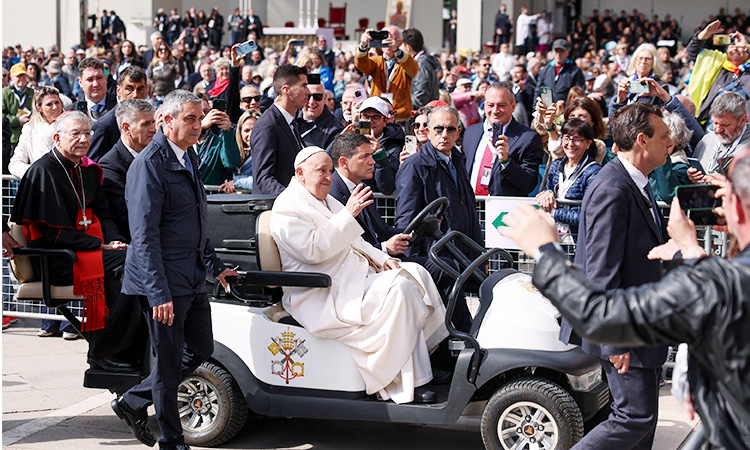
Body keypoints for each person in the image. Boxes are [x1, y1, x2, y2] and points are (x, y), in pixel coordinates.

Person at [497, 150, 750, 450]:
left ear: (735, 207)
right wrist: (693, 254)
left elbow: (598, 316)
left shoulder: (719, 284)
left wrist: (545, 251)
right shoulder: (721, 281)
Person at [270, 146, 448, 404]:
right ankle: (398, 379)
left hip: (348, 280)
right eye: (321, 171)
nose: (328, 178)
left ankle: (425, 363)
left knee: (413, 272)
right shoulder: (287, 206)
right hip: (320, 293)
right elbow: (313, 250)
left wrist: (384, 258)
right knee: (399, 289)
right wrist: (348, 213)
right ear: (300, 173)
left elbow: (356, 241)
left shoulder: (323, 199)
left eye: (330, 171)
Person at [115, 90, 237, 449]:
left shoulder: (188, 156)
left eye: (200, 118)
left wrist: (214, 266)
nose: (198, 126)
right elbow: (144, 235)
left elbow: (196, 219)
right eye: (189, 119)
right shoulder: (149, 164)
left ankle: (134, 400)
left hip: (193, 275)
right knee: (168, 364)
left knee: (199, 348)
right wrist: (158, 293)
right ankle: (172, 440)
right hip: (164, 280)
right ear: (166, 122)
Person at [561, 102, 671, 450]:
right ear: (642, 140)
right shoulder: (614, 187)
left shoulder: (638, 182)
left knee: (643, 422)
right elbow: (601, 269)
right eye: (664, 137)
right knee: (633, 418)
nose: (670, 143)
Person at [11, 111, 146, 366]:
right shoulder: (43, 171)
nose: (83, 138)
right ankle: (105, 352)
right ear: (57, 138)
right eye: (76, 133)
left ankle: (126, 348)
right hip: (58, 258)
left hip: (88, 250)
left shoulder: (87, 169)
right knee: (130, 264)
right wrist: (100, 245)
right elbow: (52, 233)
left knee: (133, 261)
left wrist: (115, 240)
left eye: (87, 133)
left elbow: (104, 214)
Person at [395, 106, 482, 332]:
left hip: (460, 255)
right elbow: (406, 221)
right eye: (439, 128)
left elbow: (467, 209)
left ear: (458, 132)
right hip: (438, 262)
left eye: (450, 129)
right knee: (458, 324)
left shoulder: (457, 161)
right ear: (429, 131)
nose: (444, 134)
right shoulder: (414, 166)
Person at [463, 81, 543, 197]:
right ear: (484, 105)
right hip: (471, 209)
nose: (495, 111)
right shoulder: (471, 132)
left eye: (501, 105)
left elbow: (529, 184)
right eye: (490, 105)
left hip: (503, 212)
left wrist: (507, 162)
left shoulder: (528, 138)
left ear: (513, 106)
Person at [535, 118, 601, 241]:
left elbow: (589, 215)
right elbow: (546, 190)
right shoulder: (555, 166)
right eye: (566, 138)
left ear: (588, 143)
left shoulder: (594, 172)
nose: (570, 144)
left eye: (577, 139)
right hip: (553, 237)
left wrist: (554, 212)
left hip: (577, 242)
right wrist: (546, 194)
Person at [99, 99, 156, 240]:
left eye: (153, 122)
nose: (153, 129)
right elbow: (127, 213)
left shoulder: (157, 156)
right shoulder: (110, 166)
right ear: (126, 128)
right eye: (146, 124)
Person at [250, 64, 309, 194]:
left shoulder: (291, 122)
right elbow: (264, 179)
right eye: (304, 86)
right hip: (275, 209)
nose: (308, 92)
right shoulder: (267, 126)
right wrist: (293, 199)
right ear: (286, 90)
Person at [686, 20, 750, 125]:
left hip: (744, 129)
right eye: (732, 45)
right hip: (713, 127)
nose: (735, 48)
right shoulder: (716, 63)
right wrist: (705, 34)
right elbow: (692, 51)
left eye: (740, 46)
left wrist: (747, 46)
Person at [356, 27, 418, 122]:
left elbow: (413, 69)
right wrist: (363, 46)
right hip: (378, 116)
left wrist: (397, 51)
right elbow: (361, 65)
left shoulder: (405, 61)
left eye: (392, 39)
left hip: (400, 117)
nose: (387, 43)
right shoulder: (376, 61)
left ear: (400, 42)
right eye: (384, 38)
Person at [87, 66, 148, 162]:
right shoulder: (104, 127)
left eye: (140, 89)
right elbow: (92, 166)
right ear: (119, 91)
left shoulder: (152, 122)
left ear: (146, 90)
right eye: (129, 89)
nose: (135, 95)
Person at [690, 93, 750, 180]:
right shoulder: (706, 140)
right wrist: (692, 177)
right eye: (715, 123)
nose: (718, 130)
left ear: (742, 120)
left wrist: (724, 183)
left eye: (725, 124)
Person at [9, 86, 64, 178]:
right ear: (39, 108)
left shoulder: (72, 124)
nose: (55, 107)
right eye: (49, 104)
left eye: (57, 102)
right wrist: (38, 172)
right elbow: (15, 164)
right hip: (41, 187)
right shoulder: (30, 128)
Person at [195, 94, 241, 185]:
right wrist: (201, 127)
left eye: (206, 111)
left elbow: (231, 163)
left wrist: (228, 131)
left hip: (212, 197)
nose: (204, 115)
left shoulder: (218, 142)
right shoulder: (183, 141)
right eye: (199, 111)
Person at [220, 109, 261, 193]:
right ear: (240, 132)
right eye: (246, 131)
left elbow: (262, 181)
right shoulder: (235, 150)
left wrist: (237, 182)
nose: (250, 134)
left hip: (256, 201)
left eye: (254, 130)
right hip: (234, 201)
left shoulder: (267, 152)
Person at [534, 39, 585, 104]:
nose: (559, 54)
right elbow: (538, 92)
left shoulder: (575, 71)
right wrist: (535, 110)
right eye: (556, 51)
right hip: (547, 110)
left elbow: (578, 94)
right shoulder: (545, 71)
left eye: (562, 51)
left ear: (568, 52)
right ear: (552, 52)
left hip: (566, 109)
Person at [296, 81, 343, 149]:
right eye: (307, 96)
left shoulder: (335, 129)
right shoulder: (290, 118)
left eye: (317, 96)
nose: (311, 102)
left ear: (324, 99)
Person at [403, 28, 440, 110]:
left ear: (408, 47)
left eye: (402, 46)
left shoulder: (420, 64)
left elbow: (420, 97)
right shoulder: (421, 62)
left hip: (421, 113)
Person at [2, 63, 34, 147]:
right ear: (11, 77)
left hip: (30, 137)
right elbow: (2, 115)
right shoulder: (5, 93)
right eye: (18, 76)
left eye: (23, 75)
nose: (21, 78)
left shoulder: (32, 93)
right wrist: (17, 121)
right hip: (11, 137)